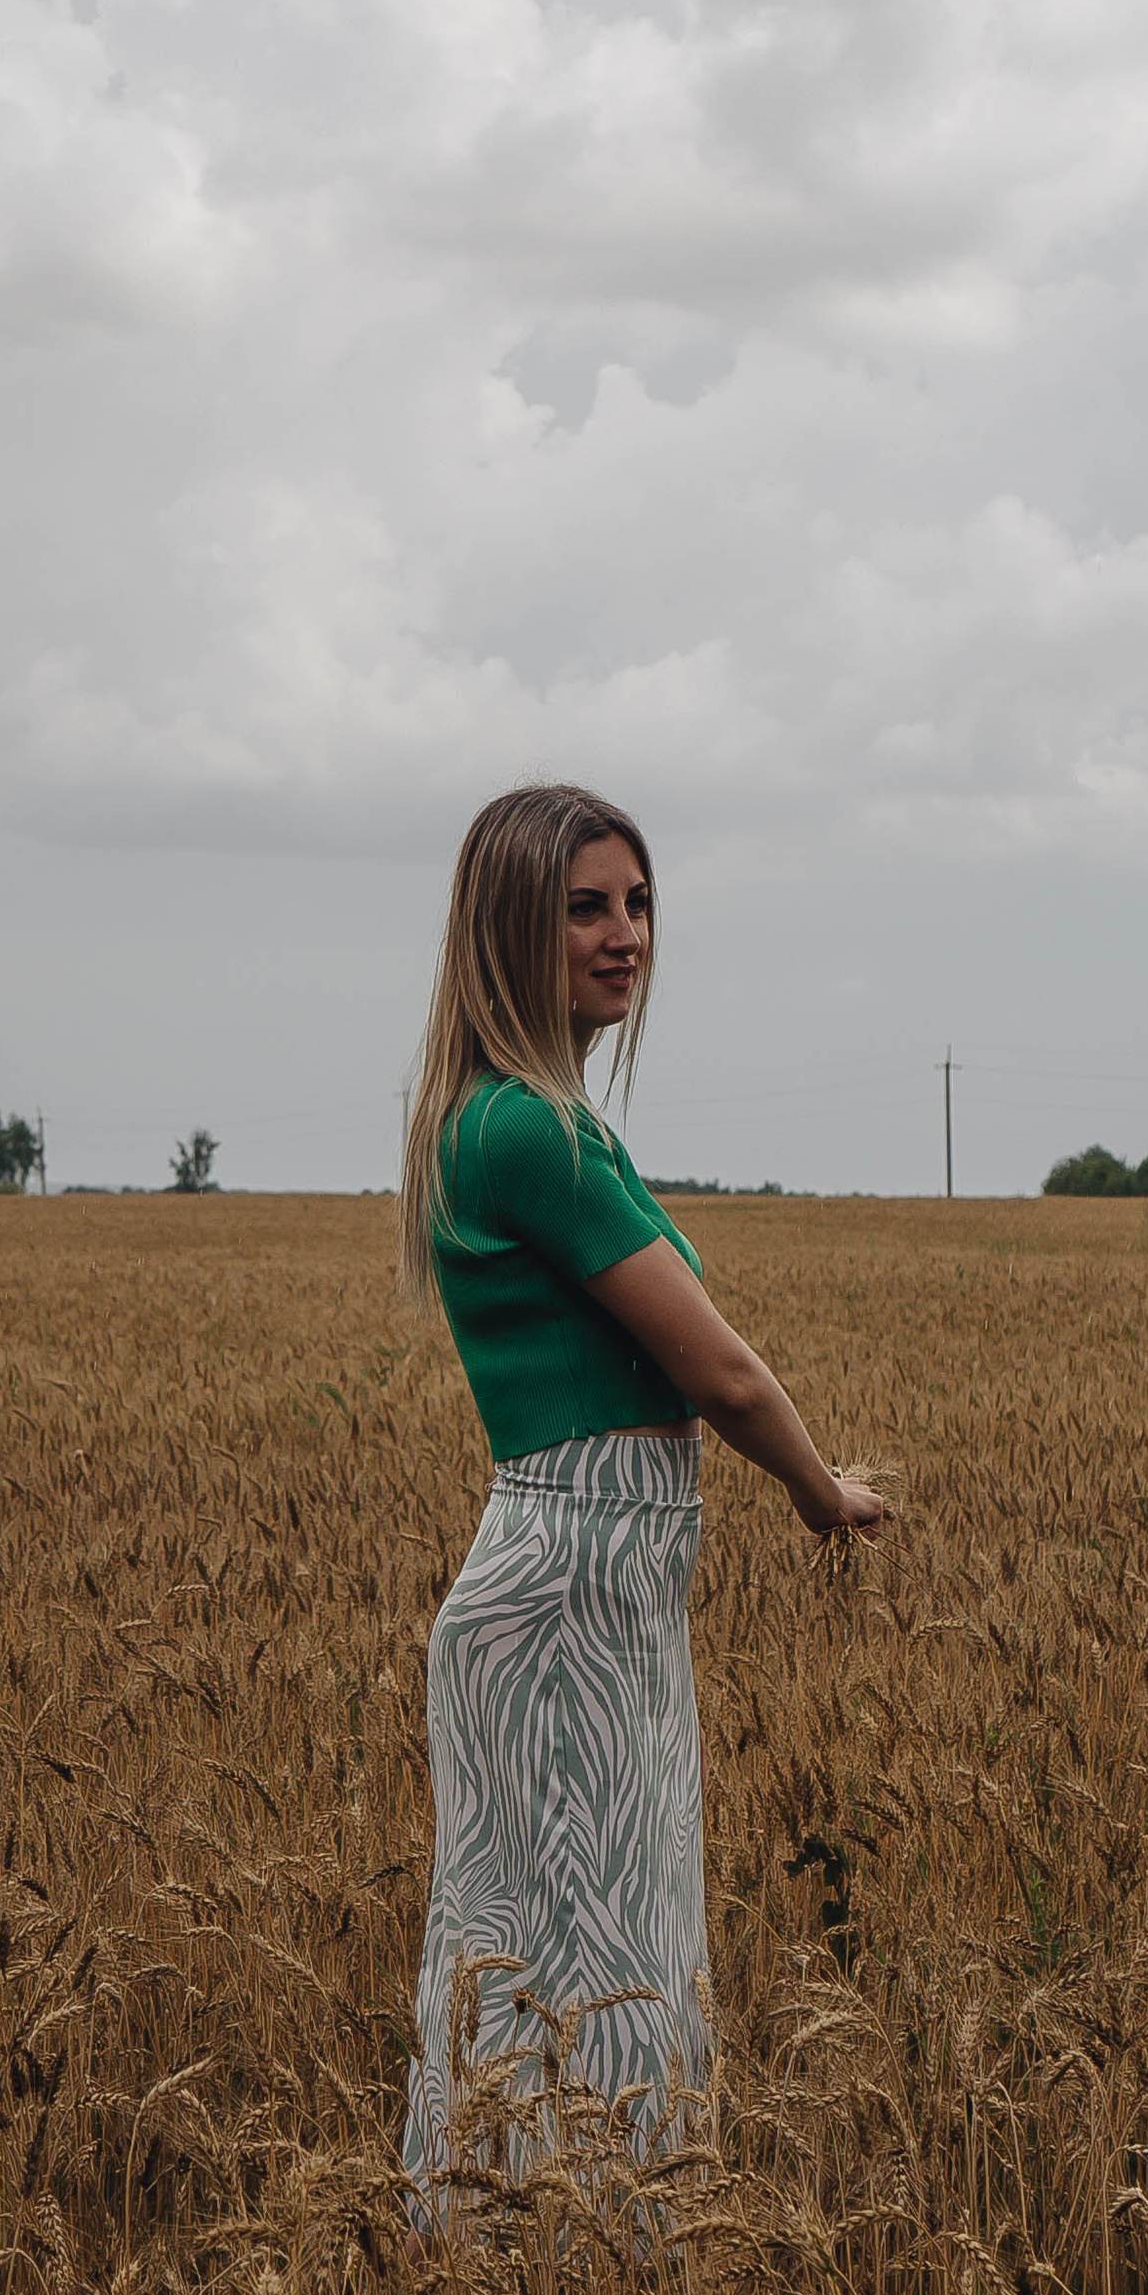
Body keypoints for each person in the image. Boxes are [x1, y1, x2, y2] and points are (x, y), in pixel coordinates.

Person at [397, 781, 883, 2198]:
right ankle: (564, 2269)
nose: (627, 936)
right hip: (565, 1592)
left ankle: (553, 2271)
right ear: (508, 932)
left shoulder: (521, 1122)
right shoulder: (527, 1132)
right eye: (586, 909)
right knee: (579, 1956)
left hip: (589, 1584)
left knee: (570, 1945)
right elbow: (719, 1372)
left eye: (640, 903)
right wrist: (818, 1492)